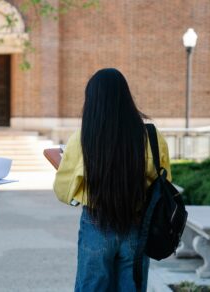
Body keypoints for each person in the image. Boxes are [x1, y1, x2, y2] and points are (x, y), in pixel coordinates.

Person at [53, 68, 171, 292]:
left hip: (96, 222)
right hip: (137, 224)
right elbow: (163, 183)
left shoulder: (82, 139)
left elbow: (63, 191)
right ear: (126, 97)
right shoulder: (152, 138)